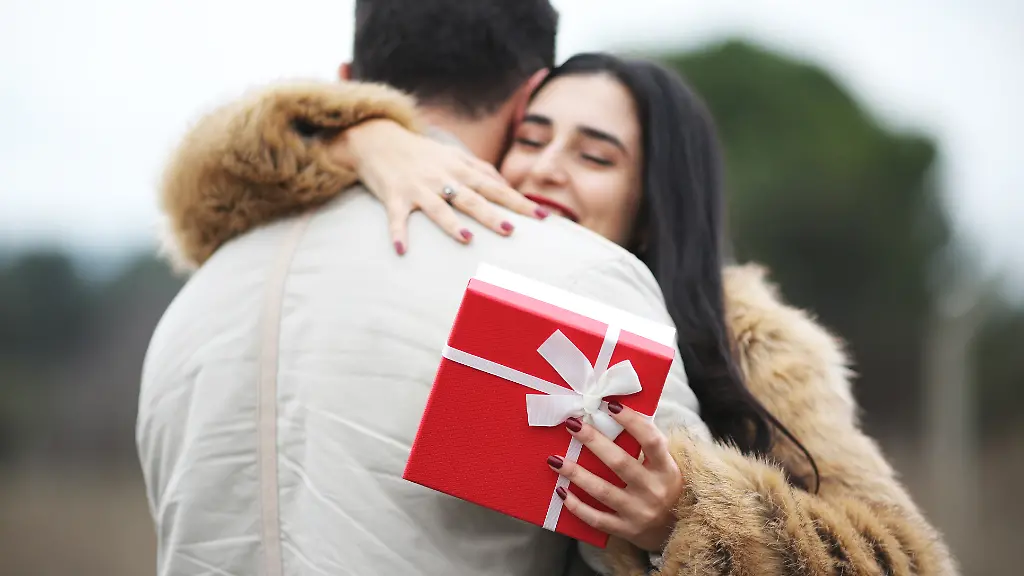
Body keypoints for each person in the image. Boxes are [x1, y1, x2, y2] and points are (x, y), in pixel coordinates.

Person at [156, 39, 960, 576]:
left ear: (653, 200)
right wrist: (359, 139)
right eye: (530, 137)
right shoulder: (474, 296)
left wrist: (686, 514)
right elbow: (204, 195)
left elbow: (907, 561)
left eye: (594, 154)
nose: (543, 169)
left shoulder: (755, 343)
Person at [138, 2, 709, 576]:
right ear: (531, 96)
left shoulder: (202, 288)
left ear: (347, 85)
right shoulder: (569, 284)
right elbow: (680, 539)